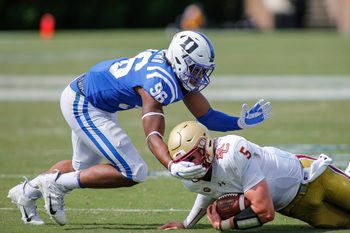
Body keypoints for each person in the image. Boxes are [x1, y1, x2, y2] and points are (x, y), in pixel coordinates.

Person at [7, 31, 273, 226]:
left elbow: (208, 116)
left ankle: (26, 193)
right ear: (180, 62)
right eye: (194, 69)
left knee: (82, 169)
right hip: (84, 103)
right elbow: (153, 134)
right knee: (134, 171)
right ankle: (55, 185)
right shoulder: (160, 80)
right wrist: (171, 164)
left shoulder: (174, 73)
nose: (199, 77)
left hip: (93, 101)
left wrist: (239, 122)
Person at [160, 121, 350, 230]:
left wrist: (223, 225)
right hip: (295, 208)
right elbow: (209, 189)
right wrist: (187, 224)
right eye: (184, 161)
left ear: (206, 145)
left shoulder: (231, 152)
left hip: (314, 178)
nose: (189, 166)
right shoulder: (190, 179)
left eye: (192, 157)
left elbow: (265, 212)